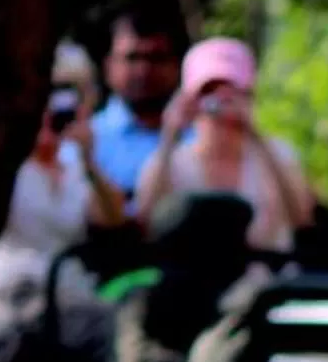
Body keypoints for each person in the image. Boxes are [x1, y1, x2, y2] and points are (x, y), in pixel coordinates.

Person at [0, 44, 130, 362]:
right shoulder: (1, 162)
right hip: (9, 296)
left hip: (70, 298)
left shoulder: (77, 164)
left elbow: (113, 218)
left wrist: (89, 161)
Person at [133, 38, 317, 257]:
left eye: (231, 91)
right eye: (208, 91)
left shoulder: (278, 154)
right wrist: (170, 135)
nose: (220, 102)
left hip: (267, 279)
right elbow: (145, 221)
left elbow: (302, 220)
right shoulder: (170, 161)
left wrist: (255, 134)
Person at [87, 5, 185, 197]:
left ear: (177, 66)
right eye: (132, 58)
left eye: (156, 58)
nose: (143, 71)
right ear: (108, 66)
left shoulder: (201, 138)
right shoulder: (87, 143)